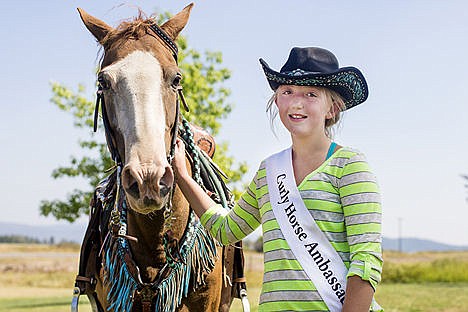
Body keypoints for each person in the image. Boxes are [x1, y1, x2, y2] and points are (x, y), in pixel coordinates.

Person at [173, 47, 383, 312]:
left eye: (311, 94)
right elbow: (226, 229)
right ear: (277, 101)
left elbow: (365, 263)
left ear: (333, 108)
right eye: (287, 91)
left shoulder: (350, 166)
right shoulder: (269, 171)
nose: (296, 102)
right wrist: (182, 176)